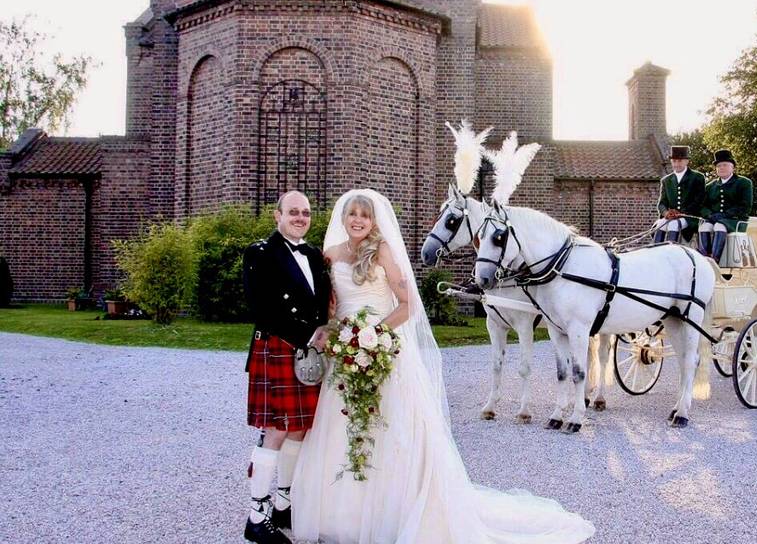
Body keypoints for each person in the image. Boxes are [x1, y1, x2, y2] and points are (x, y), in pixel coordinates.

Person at [291, 189, 595, 544]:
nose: (358, 220)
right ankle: (342, 513)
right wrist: (333, 334)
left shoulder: (384, 251)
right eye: (352, 214)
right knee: (341, 427)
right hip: (345, 353)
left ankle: (392, 510)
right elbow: (330, 307)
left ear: (374, 221)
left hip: (384, 350)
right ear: (343, 219)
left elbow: (407, 305)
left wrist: (374, 336)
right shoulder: (329, 255)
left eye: (365, 215)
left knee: (388, 426)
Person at [242, 190, 332, 544]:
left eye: (305, 212)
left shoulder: (313, 254)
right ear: (277, 216)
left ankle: (283, 503)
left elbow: (323, 302)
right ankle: (256, 515)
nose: (300, 217)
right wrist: (310, 335)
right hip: (279, 347)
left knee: (299, 430)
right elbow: (261, 307)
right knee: (276, 430)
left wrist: (325, 328)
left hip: (307, 355)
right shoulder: (260, 253)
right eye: (293, 212)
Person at [699, 149, 753, 262]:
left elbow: (745, 206)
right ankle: (705, 258)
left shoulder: (744, 183)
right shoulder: (710, 186)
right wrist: (709, 215)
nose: (721, 168)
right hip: (714, 219)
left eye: (725, 165)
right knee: (704, 226)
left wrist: (725, 215)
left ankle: (715, 260)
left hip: (736, 221)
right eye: (718, 166)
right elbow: (702, 206)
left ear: (732, 167)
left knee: (719, 226)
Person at [653, 145, 706, 244]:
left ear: (686, 161)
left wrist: (680, 213)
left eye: (680, 161)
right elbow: (661, 203)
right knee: (660, 224)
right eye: (674, 161)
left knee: (673, 225)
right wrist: (666, 213)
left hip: (690, 217)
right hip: (671, 216)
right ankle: (656, 252)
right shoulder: (666, 180)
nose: (677, 164)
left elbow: (699, 201)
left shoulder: (697, 177)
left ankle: (672, 252)